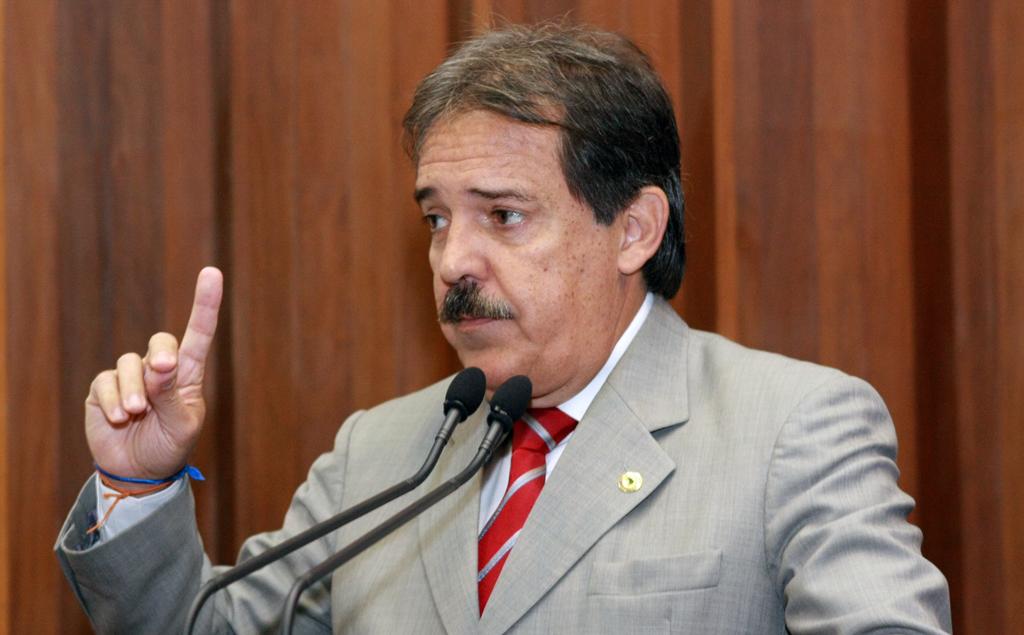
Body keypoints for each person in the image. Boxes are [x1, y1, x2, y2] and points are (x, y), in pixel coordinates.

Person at [55, 23, 951, 633]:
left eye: (503, 215)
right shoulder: (380, 455)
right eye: (437, 218)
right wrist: (138, 483)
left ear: (634, 229)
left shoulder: (791, 430)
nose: (453, 261)